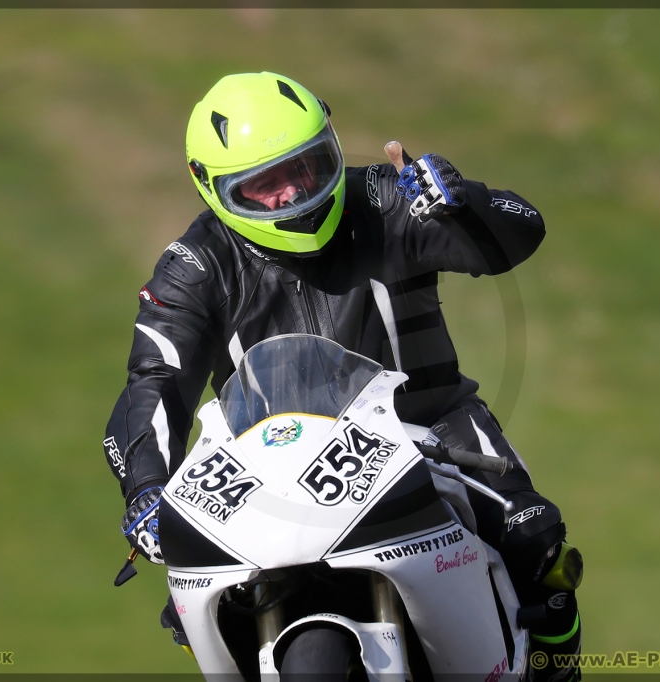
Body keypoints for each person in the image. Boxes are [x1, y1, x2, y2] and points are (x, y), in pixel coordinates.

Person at [105, 72, 582, 682]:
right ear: (212, 188)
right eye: (262, 184)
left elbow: (519, 235)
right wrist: (147, 490)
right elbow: (154, 380)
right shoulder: (194, 265)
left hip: (428, 424)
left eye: (303, 169)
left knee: (535, 543)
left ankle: (554, 665)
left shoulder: (384, 198)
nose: (290, 196)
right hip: (263, 463)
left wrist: (461, 205)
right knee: (188, 597)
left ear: (331, 149)